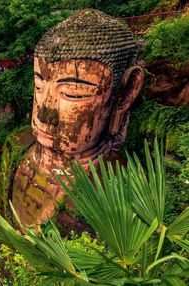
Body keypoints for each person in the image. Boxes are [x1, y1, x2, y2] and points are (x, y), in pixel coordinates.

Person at [12, 9, 144, 226]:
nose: (45, 114)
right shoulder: (16, 148)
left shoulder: (121, 189)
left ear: (126, 93)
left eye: (73, 93)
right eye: (38, 86)